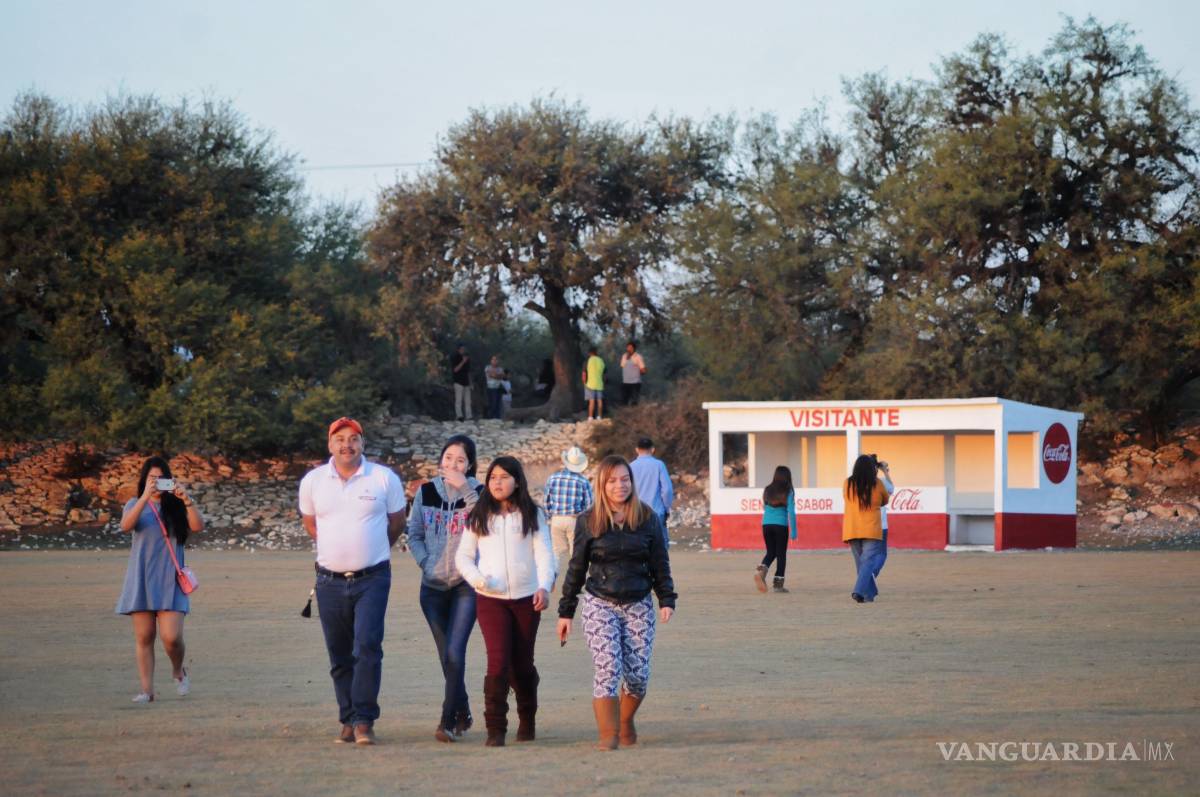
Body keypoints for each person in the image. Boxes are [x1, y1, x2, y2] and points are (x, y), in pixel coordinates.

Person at [299, 417, 407, 745]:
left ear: (362, 443)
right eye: (340, 439)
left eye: (354, 439)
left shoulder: (383, 478)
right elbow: (312, 526)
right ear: (330, 444)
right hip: (329, 582)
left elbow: (397, 523)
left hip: (372, 578)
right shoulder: (313, 481)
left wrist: (369, 550)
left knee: (367, 647)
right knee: (340, 654)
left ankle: (363, 720)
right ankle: (346, 718)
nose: (347, 445)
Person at [557, 455, 677, 751]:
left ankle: (625, 721)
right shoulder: (588, 519)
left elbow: (660, 562)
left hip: (638, 603)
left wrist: (666, 598)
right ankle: (607, 735)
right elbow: (576, 567)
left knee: (638, 676)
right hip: (599, 603)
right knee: (608, 667)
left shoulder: (647, 517)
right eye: (612, 480)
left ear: (632, 483)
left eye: (624, 479)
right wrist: (566, 611)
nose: (619, 485)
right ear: (602, 484)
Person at [455, 456, 555, 746]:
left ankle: (528, 719)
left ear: (517, 480)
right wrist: (478, 579)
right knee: (497, 663)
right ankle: (495, 730)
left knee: (522, 665)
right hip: (490, 600)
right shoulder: (479, 515)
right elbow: (463, 556)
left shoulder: (532, 514)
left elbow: (545, 554)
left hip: (527, 599)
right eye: (493, 477)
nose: (497, 482)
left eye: (504, 477)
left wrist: (544, 586)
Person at [407, 434, 484, 743]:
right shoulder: (425, 492)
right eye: (449, 458)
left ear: (470, 466)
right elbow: (414, 535)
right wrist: (427, 564)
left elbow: (483, 523)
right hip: (432, 588)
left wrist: (464, 487)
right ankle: (463, 710)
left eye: (461, 460)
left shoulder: (478, 492)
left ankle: (447, 721)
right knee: (446, 657)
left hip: (467, 585)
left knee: (455, 651)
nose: (453, 464)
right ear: (440, 461)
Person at [116, 456, 205, 703]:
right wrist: (145, 497)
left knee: (171, 638)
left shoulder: (176, 506)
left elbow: (198, 527)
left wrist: (186, 500)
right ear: (144, 480)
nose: (156, 482)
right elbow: (125, 526)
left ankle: (178, 670)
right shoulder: (135, 503)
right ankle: (147, 691)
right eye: (151, 478)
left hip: (170, 580)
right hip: (142, 578)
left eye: (160, 478)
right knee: (144, 637)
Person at [842, 454, 891, 604]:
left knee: (861, 564)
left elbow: (846, 498)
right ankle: (858, 591)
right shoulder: (877, 484)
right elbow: (885, 500)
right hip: (871, 528)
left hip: (852, 528)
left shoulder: (847, 483)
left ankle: (868, 595)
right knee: (868, 562)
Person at [543, 446, 594, 585]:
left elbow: (546, 500)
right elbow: (590, 505)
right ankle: (576, 582)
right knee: (576, 552)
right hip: (574, 519)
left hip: (556, 519)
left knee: (556, 552)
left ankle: (551, 579)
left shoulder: (553, 478)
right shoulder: (583, 481)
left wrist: (549, 517)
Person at [754, 466, 798, 594]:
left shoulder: (767, 489)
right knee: (781, 555)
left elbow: (764, 506)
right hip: (780, 525)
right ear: (787, 477)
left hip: (766, 524)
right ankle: (778, 586)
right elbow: (791, 512)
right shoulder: (789, 490)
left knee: (771, 552)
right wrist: (794, 531)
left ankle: (760, 572)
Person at [629, 438, 674, 542]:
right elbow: (667, 490)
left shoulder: (630, 466)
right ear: (652, 449)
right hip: (656, 512)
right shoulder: (659, 465)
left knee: (638, 546)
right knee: (660, 547)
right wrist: (666, 508)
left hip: (637, 513)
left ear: (637, 449)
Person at [876, 457, 894, 579]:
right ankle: (870, 574)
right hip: (880, 525)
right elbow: (891, 489)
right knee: (881, 554)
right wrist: (885, 471)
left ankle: (865, 578)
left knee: (867, 556)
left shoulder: (856, 482)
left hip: (862, 526)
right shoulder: (880, 482)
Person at [619, 341, 647, 406]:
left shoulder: (638, 357)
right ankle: (624, 415)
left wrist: (641, 372)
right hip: (625, 382)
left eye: (630, 348)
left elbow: (643, 369)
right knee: (623, 401)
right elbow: (622, 366)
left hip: (635, 383)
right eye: (628, 347)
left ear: (634, 348)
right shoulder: (624, 356)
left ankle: (634, 415)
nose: (629, 349)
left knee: (634, 402)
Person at [582, 346, 605, 421]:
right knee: (599, 401)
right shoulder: (601, 361)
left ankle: (590, 417)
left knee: (591, 401)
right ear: (596, 352)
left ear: (589, 353)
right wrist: (603, 382)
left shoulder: (588, 360)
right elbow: (604, 374)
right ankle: (599, 417)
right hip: (599, 384)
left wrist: (584, 382)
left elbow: (584, 373)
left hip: (590, 384)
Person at [450, 343, 472, 421]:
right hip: (458, 381)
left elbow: (469, 371)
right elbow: (455, 370)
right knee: (458, 400)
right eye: (462, 349)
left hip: (466, 381)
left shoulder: (467, 358)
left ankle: (469, 416)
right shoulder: (455, 357)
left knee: (468, 401)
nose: (463, 350)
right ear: (458, 349)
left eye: (464, 349)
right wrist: (462, 362)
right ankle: (459, 416)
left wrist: (471, 383)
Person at [484, 355, 506, 420]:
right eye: (493, 359)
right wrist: (497, 375)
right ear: (491, 360)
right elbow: (492, 375)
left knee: (498, 404)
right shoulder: (487, 367)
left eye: (496, 360)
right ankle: (491, 418)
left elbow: (502, 376)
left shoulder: (500, 368)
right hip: (491, 388)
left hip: (498, 388)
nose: (495, 361)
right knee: (492, 404)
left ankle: (497, 418)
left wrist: (496, 375)